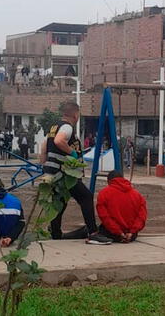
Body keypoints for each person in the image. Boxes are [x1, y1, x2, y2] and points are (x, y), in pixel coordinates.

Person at [39, 102, 112, 245]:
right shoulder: (66, 127)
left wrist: (44, 164)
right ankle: (93, 233)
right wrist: (72, 153)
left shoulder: (54, 127)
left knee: (59, 201)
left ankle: (55, 233)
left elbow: (44, 146)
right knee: (86, 197)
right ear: (75, 114)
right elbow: (59, 141)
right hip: (65, 174)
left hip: (53, 172)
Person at [96, 170, 147, 243]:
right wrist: (132, 232)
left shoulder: (103, 194)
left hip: (111, 234)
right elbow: (141, 217)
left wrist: (119, 232)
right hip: (131, 235)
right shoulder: (137, 195)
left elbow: (104, 217)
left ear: (109, 181)